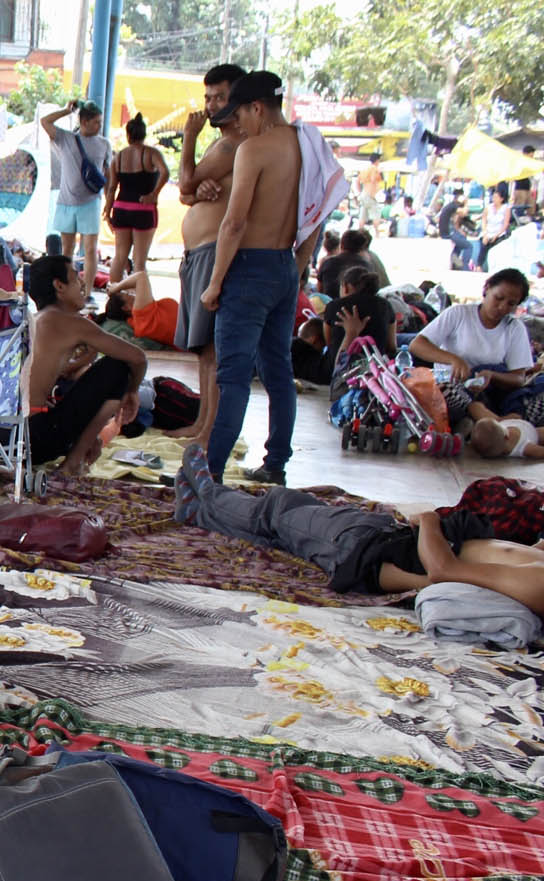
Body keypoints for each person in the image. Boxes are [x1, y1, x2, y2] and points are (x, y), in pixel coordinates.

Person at [175, 445, 544, 612]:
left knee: (278, 511)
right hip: (382, 546)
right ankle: (198, 513)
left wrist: (430, 519)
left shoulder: (539, 584)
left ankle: (208, 495)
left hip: (368, 549)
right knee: (286, 533)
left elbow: (444, 571)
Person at [200, 71, 301, 485]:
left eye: (241, 114)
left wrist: (215, 280)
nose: (239, 124)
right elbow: (318, 208)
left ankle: (211, 472)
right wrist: (301, 264)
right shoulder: (306, 145)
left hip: (248, 270)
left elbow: (234, 222)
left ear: (257, 107)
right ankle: (276, 463)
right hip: (284, 266)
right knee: (279, 371)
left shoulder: (254, 150)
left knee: (235, 376)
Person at [170, 64, 247, 442]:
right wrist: (197, 192)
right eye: (208, 98)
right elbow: (186, 191)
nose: (212, 106)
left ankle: (211, 428)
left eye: (220, 97)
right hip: (198, 252)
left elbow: (185, 179)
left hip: (214, 251)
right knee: (202, 349)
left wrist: (188, 136)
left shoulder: (233, 144)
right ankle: (203, 422)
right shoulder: (221, 145)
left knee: (213, 350)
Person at [25, 254, 146, 473]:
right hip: (37, 438)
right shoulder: (70, 322)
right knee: (117, 369)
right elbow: (138, 358)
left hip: (8, 437)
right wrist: (133, 391)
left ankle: (85, 446)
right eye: (76, 277)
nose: (82, 283)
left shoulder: (35, 319)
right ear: (59, 286)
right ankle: (74, 461)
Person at [411, 269, 539, 426]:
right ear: (486, 289)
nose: (502, 307)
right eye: (498, 298)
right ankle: (494, 424)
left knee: (535, 400)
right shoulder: (458, 314)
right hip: (455, 393)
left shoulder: (515, 328)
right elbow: (417, 345)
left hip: (492, 396)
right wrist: (453, 359)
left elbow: (518, 379)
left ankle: (486, 425)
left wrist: (491, 376)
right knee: (443, 387)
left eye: (511, 304)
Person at [41, 100, 111, 294]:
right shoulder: (66, 139)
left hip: (91, 203)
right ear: (84, 121)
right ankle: (68, 288)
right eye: (96, 122)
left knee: (90, 249)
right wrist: (65, 110)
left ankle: (87, 291)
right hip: (66, 202)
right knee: (67, 250)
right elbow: (45, 122)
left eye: (100, 122)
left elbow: (108, 174)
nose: (99, 126)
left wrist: (109, 201)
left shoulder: (104, 144)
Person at [105, 115, 169, 284]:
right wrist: (154, 194)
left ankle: (114, 301)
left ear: (128, 135)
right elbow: (165, 172)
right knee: (139, 262)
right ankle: (137, 302)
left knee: (119, 257)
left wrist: (107, 211)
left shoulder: (118, 158)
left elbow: (112, 188)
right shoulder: (151, 153)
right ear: (144, 134)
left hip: (121, 208)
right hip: (143, 208)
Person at [320, 265, 395, 366]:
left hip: (339, 368)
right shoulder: (385, 306)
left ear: (345, 286)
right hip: (376, 368)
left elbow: (329, 343)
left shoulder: (334, 306)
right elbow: (392, 346)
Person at [99, 269, 180, 348]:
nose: (131, 292)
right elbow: (141, 277)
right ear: (126, 307)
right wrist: (116, 287)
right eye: (126, 293)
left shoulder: (145, 316)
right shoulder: (142, 317)